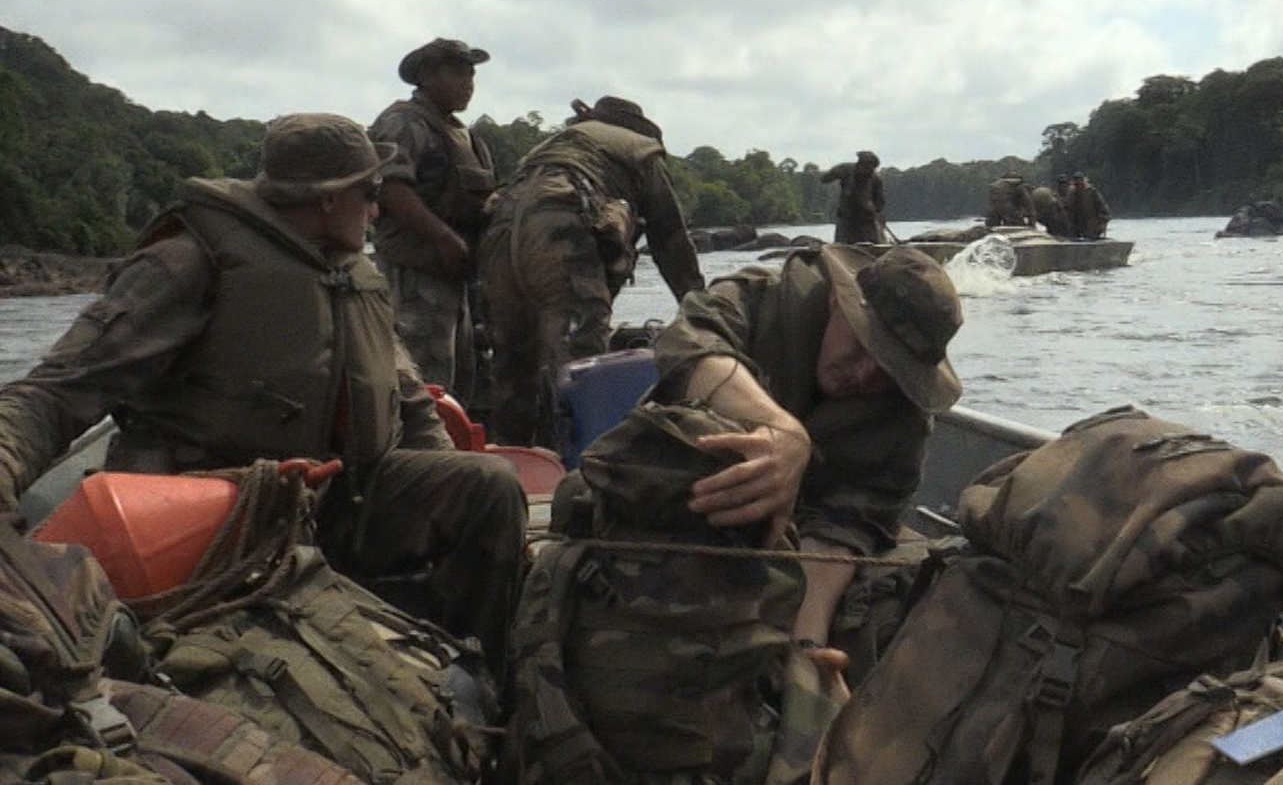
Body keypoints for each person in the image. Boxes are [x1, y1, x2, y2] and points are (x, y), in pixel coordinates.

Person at [0, 114, 526, 672]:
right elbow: (56, 391)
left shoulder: (350, 271)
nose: (377, 210)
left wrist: (440, 486)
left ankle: (473, 675)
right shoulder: (192, 260)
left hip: (344, 499)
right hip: (230, 515)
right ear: (326, 199)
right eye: (369, 193)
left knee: (487, 485)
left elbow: (409, 398)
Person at [646, 243, 963, 652]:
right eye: (864, 345)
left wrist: (807, 643)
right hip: (677, 508)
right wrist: (781, 430)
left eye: (887, 368)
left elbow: (848, 523)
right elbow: (688, 347)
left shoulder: (902, 420)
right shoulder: (756, 298)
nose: (864, 374)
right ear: (838, 301)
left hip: (795, 552)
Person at [476, 95, 705, 446]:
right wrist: (700, 311)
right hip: (557, 228)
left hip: (499, 236)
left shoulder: (552, 146)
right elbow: (669, 238)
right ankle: (587, 469)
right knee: (582, 365)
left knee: (513, 367)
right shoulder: (639, 148)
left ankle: (518, 462)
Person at [368, 37, 495, 403]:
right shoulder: (404, 123)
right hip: (415, 273)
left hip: (457, 278)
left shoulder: (467, 137)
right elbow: (391, 186)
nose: (467, 82)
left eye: (471, 74)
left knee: (462, 380)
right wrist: (443, 238)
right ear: (425, 76)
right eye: (457, 73)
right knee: (423, 382)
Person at [819, 150, 887, 244]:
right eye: (864, 165)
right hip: (846, 218)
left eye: (869, 168)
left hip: (867, 221)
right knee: (842, 248)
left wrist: (873, 210)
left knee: (874, 246)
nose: (865, 170)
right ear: (859, 163)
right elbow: (824, 179)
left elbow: (880, 203)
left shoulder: (876, 179)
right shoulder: (845, 170)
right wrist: (835, 173)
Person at [1066, 171, 1111, 239]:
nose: (1078, 185)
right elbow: (1066, 208)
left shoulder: (1091, 192)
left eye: (1080, 182)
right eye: (1076, 183)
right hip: (1075, 225)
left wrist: (1103, 221)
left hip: (1090, 225)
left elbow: (1103, 207)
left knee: (1090, 234)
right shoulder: (1070, 193)